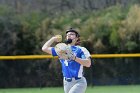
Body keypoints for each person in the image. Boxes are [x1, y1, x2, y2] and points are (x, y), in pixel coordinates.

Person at [42, 28, 91, 93]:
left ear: (76, 38)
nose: (69, 36)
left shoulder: (81, 49)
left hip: (79, 81)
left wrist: (75, 58)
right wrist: (53, 38)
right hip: (66, 82)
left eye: (72, 34)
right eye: (67, 35)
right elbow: (44, 48)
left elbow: (88, 64)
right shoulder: (61, 49)